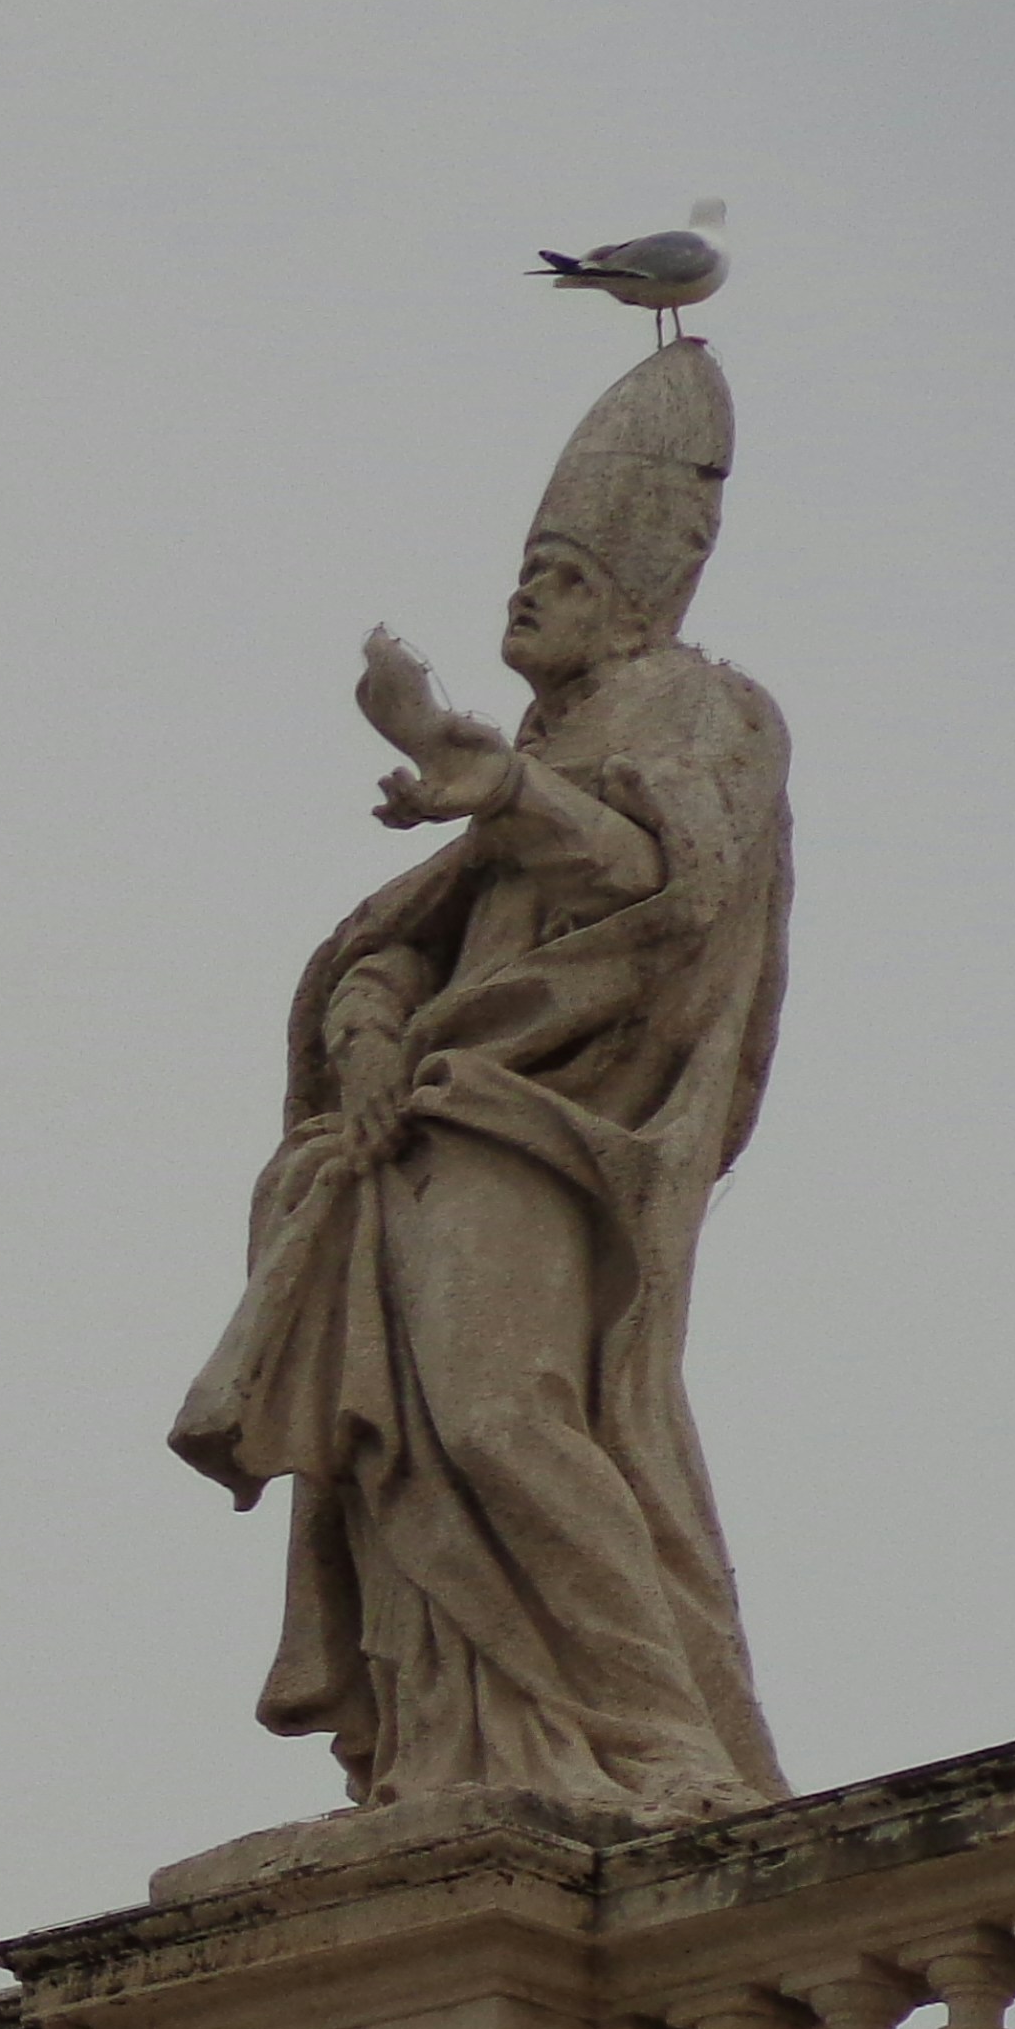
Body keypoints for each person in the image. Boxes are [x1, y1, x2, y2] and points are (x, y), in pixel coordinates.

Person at [174, 342, 790, 1826]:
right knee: (419, 1451)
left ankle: (664, 1745)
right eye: (526, 567)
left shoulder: (702, 710)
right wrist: (370, 1031)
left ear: (638, 594)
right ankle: (458, 1749)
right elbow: (406, 943)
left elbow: (671, 889)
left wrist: (500, 788)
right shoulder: (542, 746)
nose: (527, 595)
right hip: (425, 1121)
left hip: (544, 1128)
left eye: (564, 574)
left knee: (500, 1413)